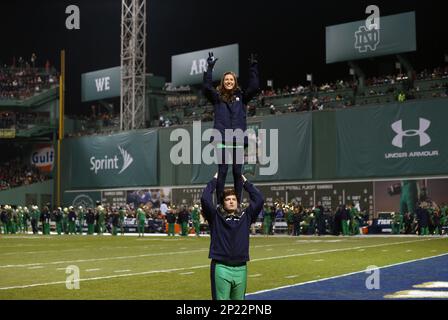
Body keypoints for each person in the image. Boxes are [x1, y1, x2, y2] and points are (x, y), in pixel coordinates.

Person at [202, 51, 260, 204]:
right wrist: (209, 68)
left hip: (238, 139)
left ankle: (238, 204)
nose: (228, 81)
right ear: (223, 82)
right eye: (226, 79)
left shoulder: (242, 97)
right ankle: (221, 204)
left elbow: (254, 87)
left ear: (235, 81)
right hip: (221, 138)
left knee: (236, 171)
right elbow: (207, 87)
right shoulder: (217, 98)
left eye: (231, 79)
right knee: (222, 170)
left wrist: (253, 67)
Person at [201, 173, 264, 300]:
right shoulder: (215, 217)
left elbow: (259, 199)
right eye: (227, 199)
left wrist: (245, 182)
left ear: (238, 202)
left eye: (234, 199)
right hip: (221, 267)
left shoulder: (246, 216)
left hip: (241, 267)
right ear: (223, 203)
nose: (231, 201)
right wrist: (214, 180)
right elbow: (205, 199)